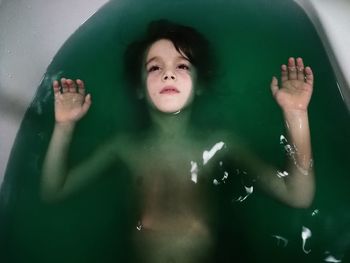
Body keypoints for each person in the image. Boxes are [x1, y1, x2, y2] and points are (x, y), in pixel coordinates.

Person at [41, 20, 315, 262]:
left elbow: (297, 195)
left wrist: (296, 115)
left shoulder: (221, 143)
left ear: (200, 85)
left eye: (182, 65)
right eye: (154, 67)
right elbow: (54, 190)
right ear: (138, 87)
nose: (167, 74)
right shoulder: (125, 147)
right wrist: (64, 127)